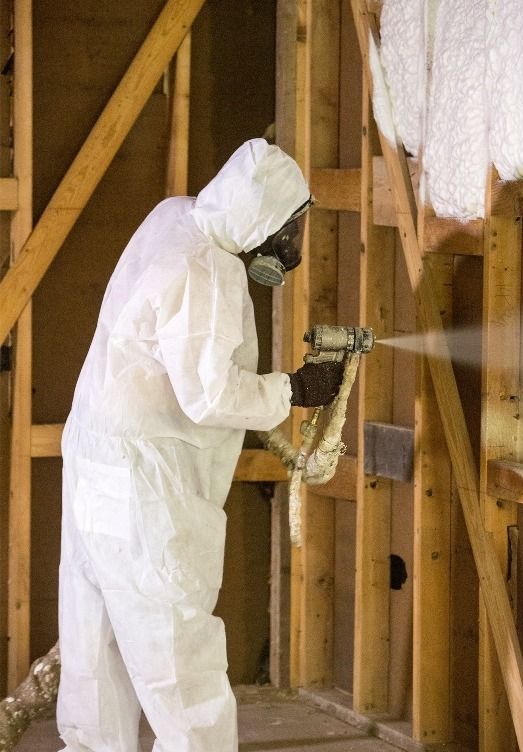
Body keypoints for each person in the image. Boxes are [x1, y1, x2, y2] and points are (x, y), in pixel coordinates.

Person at [57, 138, 343, 752]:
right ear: (259, 219)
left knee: (97, 637)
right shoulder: (208, 268)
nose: (290, 249)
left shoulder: (174, 216)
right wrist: (292, 389)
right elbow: (208, 396)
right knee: (176, 646)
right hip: (146, 477)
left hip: (97, 456)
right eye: (289, 232)